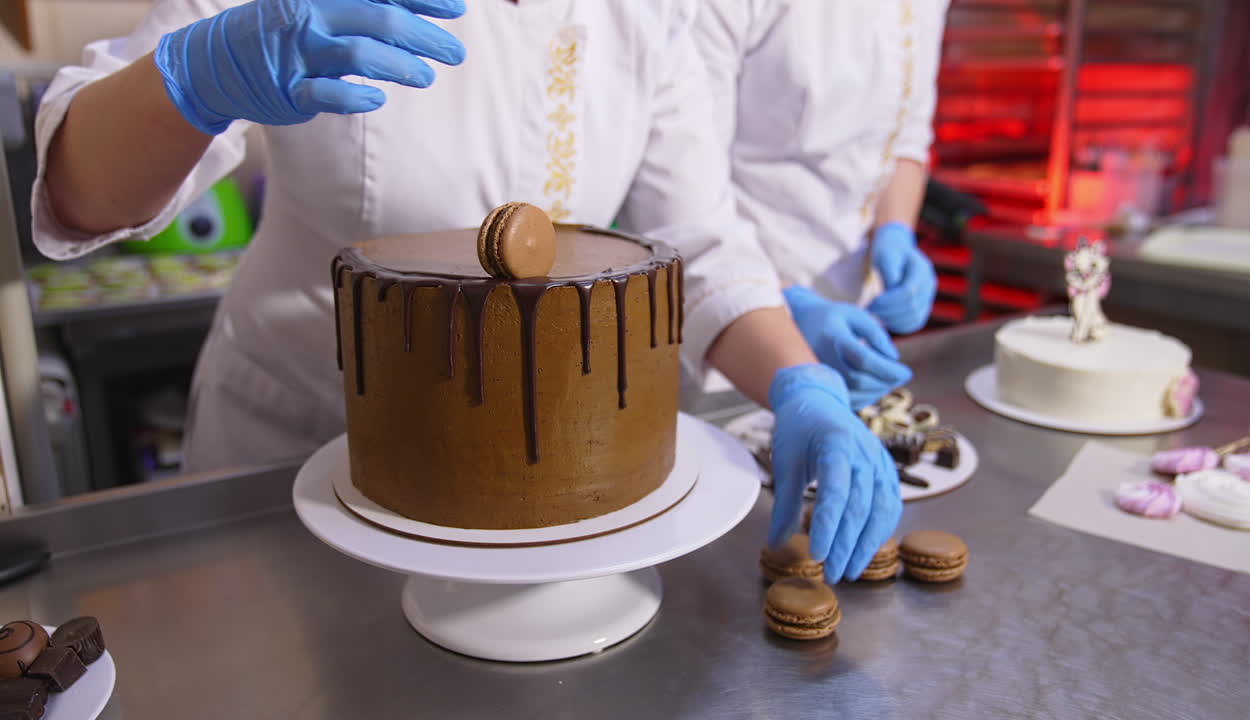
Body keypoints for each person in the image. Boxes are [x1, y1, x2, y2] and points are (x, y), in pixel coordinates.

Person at [33, 0, 898, 581]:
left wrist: (800, 384)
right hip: (292, 449)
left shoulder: (647, 13)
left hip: (531, 487)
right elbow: (78, 193)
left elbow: (698, 239)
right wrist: (199, 77)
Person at [695, 0, 947, 409]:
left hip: (853, 323)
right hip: (724, 323)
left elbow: (907, 137)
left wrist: (895, 229)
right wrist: (783, 302)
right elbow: (688, 181)